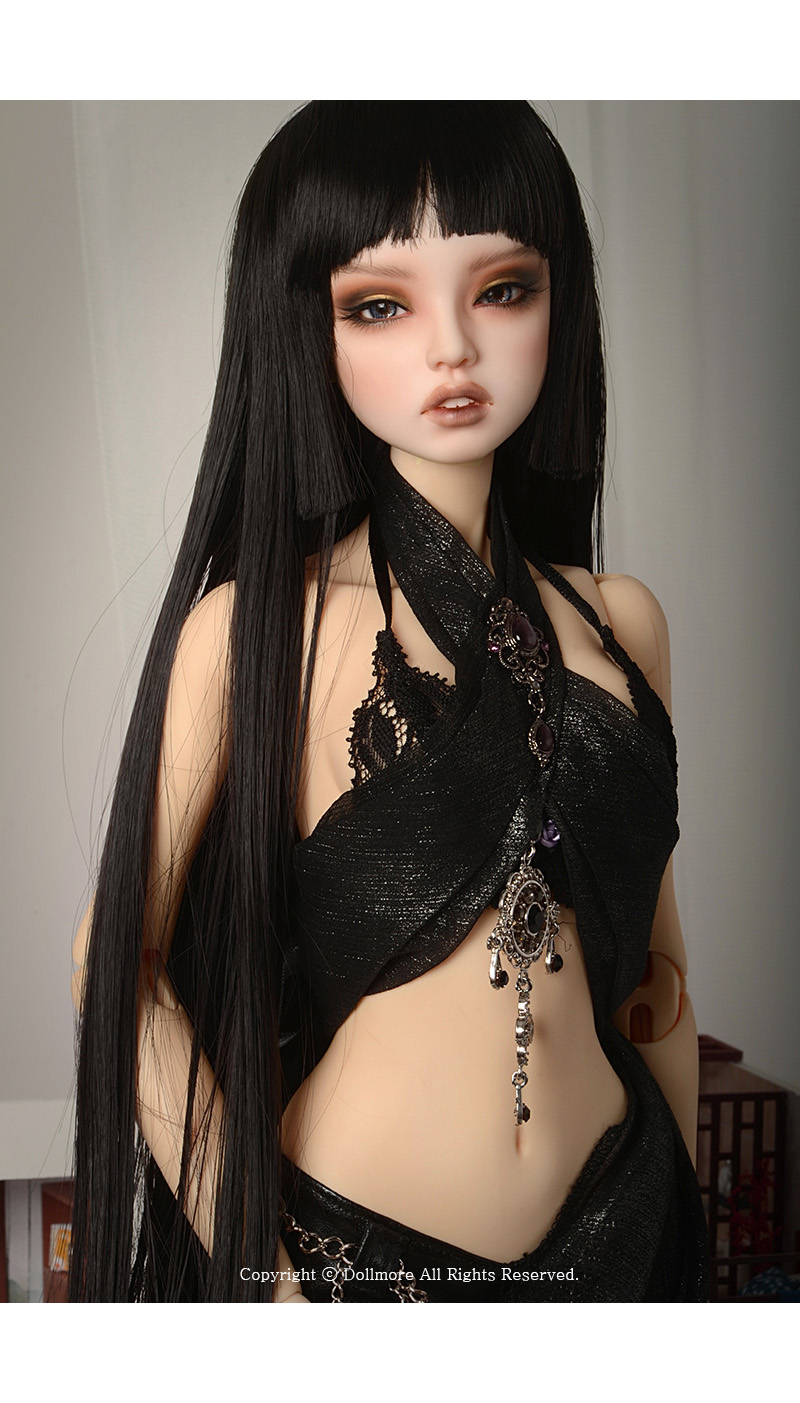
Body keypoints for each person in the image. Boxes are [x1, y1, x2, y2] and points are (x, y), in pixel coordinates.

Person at [69, 100, 709, 1302]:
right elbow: (116, 968)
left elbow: (655, 981)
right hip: (352, 1250)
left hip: (626, 1222)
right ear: (303, 325)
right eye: (379, 305)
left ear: (560, 300)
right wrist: (267, 1274)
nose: (451, 348)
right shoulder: (259, 633)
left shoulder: (620, 623)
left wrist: (685, 1245)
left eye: (502, 290)